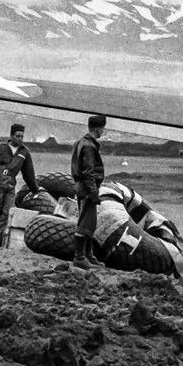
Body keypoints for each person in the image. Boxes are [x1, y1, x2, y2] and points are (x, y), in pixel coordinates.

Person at [0, 122, 39, 248]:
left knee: (8, 212)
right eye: (18, 136)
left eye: (22, 136)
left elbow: (28, 174)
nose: (20, 139)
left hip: (10, 187)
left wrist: (35, 189)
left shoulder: (24, 153)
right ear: (11, 136)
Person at [70, 114, 107, 267]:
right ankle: (79, 258)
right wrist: (94, 194)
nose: (103, 132)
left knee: (89, 223)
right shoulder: (89, 146)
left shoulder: (82, 142)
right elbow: (88, 173)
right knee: (85, 223)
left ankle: (89, 255)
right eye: (102, 129)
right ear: (98, 129)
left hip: (83, 188)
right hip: (87, 189)